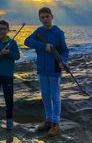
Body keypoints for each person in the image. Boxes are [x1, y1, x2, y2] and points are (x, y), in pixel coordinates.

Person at [24, 7, 69, 136]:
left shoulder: (58, 32)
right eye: (42, 17)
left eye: (47, 16)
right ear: (40, 19)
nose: (45, 19)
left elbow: (65, 51)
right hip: (42, 69)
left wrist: (63, 61)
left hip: (55, 69)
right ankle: (48, 120)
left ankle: (56, 123)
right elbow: (27, 41)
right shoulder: (39, 31)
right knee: (45, 96)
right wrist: (44, 46)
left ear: (52, 16)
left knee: (55, 96)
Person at [0, 20, 20, 130]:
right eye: (0, 29)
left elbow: (17, 56)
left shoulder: (12, 43)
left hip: (8, 75)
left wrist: (9, 53)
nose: (2, 31)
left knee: (8, 98)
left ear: (8, 30)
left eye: (4, 29)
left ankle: (9, 119)